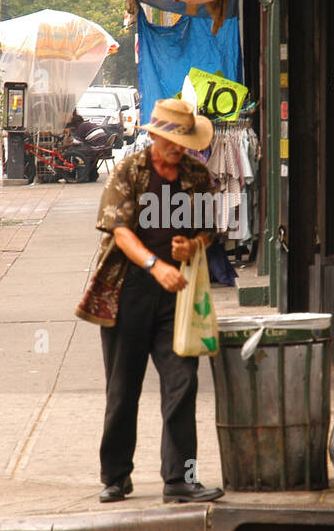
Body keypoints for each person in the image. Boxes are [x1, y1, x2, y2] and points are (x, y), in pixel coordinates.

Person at [75, 98, 225, 505]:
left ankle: (180, 478)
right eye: (172, 139)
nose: (178, 147)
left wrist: (190, 243)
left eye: (184, 140)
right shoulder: (129, 170)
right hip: (129, 288)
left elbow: (208, 232)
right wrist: (156, 264)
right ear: (155, 135)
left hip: (178, 292)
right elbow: (119, 232)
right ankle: (115, 477)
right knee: (123, 388)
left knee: (183, 382)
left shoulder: (196, 174)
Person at [64, 112, 111, 182]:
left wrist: (66, 145)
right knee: (80, 150)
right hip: (103, 147)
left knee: (73, 151)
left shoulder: (81, 127)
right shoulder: (87, 124)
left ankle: (75, 174)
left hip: (97, 148)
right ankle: (91, 174)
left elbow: (77, 143)